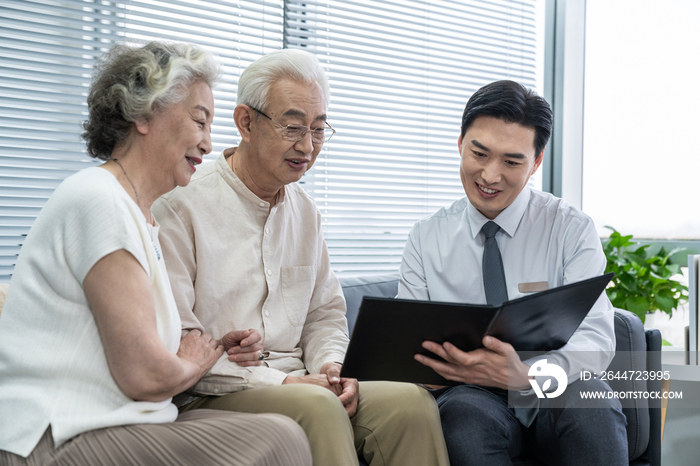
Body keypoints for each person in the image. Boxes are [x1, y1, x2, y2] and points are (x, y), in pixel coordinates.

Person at [0, 41, 312, 466]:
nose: (207, 143)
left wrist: (215, 347)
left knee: (281, 434)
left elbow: (153, 347)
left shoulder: (139, 214)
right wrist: (193, 363)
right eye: (199, 121)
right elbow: (146, 374)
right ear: (144, 115)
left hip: (122, 422)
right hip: (60, 434)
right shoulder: (98, 200)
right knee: (279, 440)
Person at [151, 48, 449, 466]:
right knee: (318, 407)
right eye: (292, 127)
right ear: (245, 122)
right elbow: (178, 341)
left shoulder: (306, 212)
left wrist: (333, 368)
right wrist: (286, 380)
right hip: (214, 393)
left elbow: (324, 314)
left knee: (411, 403)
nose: (307, 146)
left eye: (319, 129)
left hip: (302, 382)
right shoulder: (180, 204)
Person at [398, 80, 629, 465]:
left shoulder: (570, 228)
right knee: (463, 419)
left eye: (511, 161)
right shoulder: (426, 237)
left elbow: (596, 336)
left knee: (592, 407)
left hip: (554, 384)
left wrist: (529, 376)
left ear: (536, 162)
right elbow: (408, 343)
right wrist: (436, 370)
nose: (490, 175)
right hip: (471, 393)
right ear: (460, 144)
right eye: (480, 153)